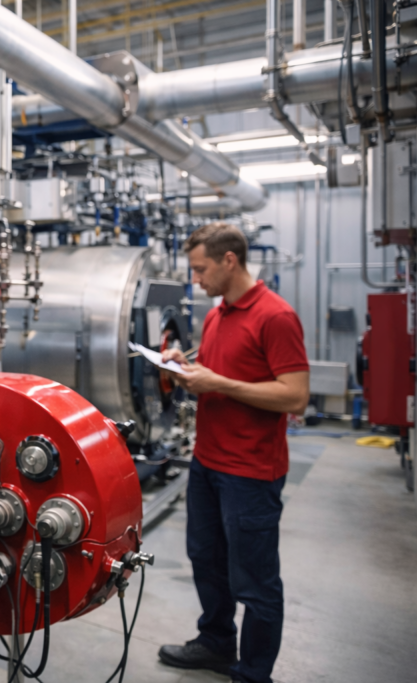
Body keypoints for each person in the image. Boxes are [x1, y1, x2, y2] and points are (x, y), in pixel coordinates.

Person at [157, 223, 309, 683]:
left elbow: (295, 396)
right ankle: (217, 642)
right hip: (208, 462)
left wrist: (217, 382)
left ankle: (253, 672)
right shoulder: (216, 313)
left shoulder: (275, 316)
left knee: (255, 581)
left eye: (201, 269)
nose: (196, 280)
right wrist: (189, 367)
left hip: (251, 471)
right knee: (206, 560)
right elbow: (223, 367)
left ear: (230, 261)